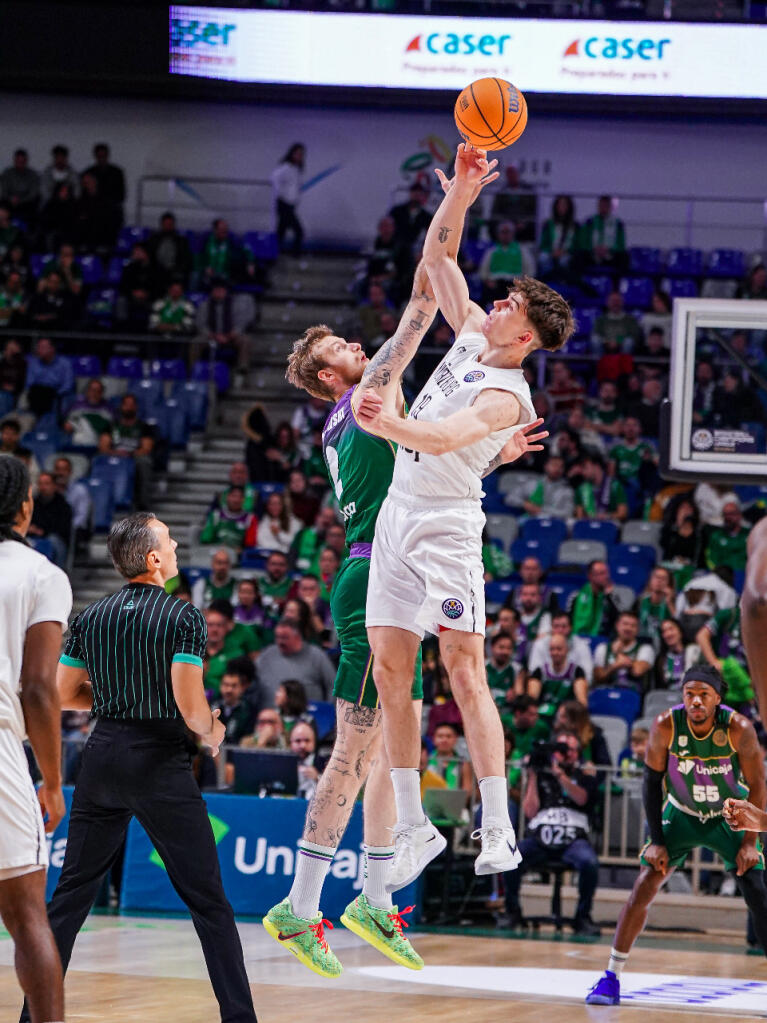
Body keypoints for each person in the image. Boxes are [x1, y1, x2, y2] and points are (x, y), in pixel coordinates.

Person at [263, 164, 511, 978]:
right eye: (342, 347)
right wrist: (460, 195)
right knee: (354, 746)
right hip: (374, 573)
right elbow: (421, 297)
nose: (357, 344)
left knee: (371, 744)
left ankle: (370, 893)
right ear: (332, 374)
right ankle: (299, 906)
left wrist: (486, 452)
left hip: (379, 562)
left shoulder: (355, 416)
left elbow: (424, 465)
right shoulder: (370, 387)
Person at [356, 143, 572, 892]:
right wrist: (464, 193)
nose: (497, 302)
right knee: (390, 669)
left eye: (510, 305)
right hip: (398, 512)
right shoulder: (478, 332)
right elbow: (437, 260)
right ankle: (413, 825)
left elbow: (446, 437)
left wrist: (386, 424)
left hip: (447, 522)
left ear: (527, 339)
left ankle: (497, 823)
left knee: (461, 666)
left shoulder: (508, 396)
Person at [20, 514, 256, 1023]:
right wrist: (214, 733)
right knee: (209, 904)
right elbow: (192, 711)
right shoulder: (182, 617)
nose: (173, 546)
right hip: (158, 762)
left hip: (101, 755)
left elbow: (62, 695)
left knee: (68, 902)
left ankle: (28, 1018)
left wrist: (111, 700)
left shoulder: (90, 616)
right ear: (152, 559)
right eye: (169, 540)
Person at [586, 665, 767, 1005]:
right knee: (644, 885)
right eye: (689, 694)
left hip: (728, 815)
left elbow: (758, 785)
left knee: (758, 892)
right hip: (681, 813)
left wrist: (748, 842)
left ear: (717, 698)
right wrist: (656, 839)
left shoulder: (739, 728)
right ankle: (610, 978)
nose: (696, 701)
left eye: (703, 695)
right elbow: (651, 782)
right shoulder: (666, 724)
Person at [0, 455, 72, 1023]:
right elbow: (39, 689)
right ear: (26, 506)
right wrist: (52, 781)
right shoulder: (40, 573)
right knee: (27, 917)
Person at [501, 730, 601, 934]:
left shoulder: (585, 774)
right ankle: (512, 911)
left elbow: (581, 799)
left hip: (573, 839)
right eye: (562, 749)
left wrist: (561, 776)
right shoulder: (541, 773)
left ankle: (582, 916)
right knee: (509, 857)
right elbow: (530, 811)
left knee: (589, 862)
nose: (567, 754)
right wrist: (532, 776)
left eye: (571, 750)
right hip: (540, 837)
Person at [256, 618, 335, 706]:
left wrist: (328, 711)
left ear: (297, 637)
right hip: (271, 714)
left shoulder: (316, 655)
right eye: (277, 637)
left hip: (307, 715)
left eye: (285, 637)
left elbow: (332, 685)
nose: (280, 642)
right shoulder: (266, 655)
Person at [98, 393, 155, 511]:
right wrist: (116, 453)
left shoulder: (144, 427)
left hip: (134, 457)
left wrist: (129, 455)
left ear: (136, 407)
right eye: (126, 404)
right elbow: (103, 446)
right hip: (114, 456)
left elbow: (146, 448)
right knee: (98, 460)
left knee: (144, 462)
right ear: (121, 406)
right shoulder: (111, 426)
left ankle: (142, 502)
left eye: (131, 405)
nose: (128, 407)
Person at [527, 632, 589, 723]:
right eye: (552, 649)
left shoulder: (576, 671)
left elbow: (582, 702)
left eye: (559, 649)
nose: (555, 653)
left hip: (567, 717)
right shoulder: (539, 671)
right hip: (543, 717)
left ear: (567, 650)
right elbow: (531, 699)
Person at [593, 612, 654, 692]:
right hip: (607, 696)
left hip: (634, 698)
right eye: (625, 624)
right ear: (617, 625)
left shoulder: (645, 649)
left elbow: (638, 671)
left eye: (633, 626)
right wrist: (615, 665)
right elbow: (597, 677)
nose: (628, 628)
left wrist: (620, 656)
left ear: (637, 629)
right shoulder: (603, 648)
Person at [27, 471, 72, 568]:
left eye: (47, 484)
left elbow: (62, 529)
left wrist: (42, 531)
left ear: (55, 486)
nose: (43, 487)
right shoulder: (32, 503)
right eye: (40, 484)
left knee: (53, 541)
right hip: (32, 536)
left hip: (55, 538)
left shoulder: (63, 506)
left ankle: (57, 573)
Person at [569, 560, 621, 638]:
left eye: (606, 572)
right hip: (579, 639)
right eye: (601, 573)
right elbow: (569, 621)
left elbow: (619, 620)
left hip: (604, 641)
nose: (606, 577)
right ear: (590, 576)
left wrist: (608, 596)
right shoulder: (576, 596)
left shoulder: (612, 597)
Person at [24, 337, 74, 418]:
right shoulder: (33, 363)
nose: (39, 350)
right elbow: (29, 382)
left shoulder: (65, 364)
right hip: (37, 393)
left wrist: (56, 393)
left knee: (63, 399)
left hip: (57, 393)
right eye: (38, 347)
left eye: (42, 347)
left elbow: (68, 385)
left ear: (52, 349)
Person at [199, 486, 258, 551]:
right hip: (215, 552)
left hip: (238, 556)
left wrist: (241, 550)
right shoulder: (216, 515)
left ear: (244, 500)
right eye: (233, 496)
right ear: (227, 497)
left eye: (240, 497)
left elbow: (250, 544)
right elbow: (206, 539)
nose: (236, 500)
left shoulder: (250, 518)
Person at [271, 143, 305, 256]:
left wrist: (295, 198)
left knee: (281, 231)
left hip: (290, 204)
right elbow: (274, 178)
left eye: (301, 154)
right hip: (284, 203)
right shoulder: (286, 167)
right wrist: (281, 194)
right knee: (299, 231)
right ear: (292, 154)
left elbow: (295, 186)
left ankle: (274, 253)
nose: (299, 156)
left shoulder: (297, 169)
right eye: (297, 154)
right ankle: (295, 255)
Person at [146, 211, 193, 288]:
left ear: (174, 225)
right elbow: (150, 257)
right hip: (157, 271)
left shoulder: (182, 241)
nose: (168, 226)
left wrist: (177, 270)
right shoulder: (153, 240)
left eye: (170, 224)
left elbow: (186, 260)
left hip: (175, 272)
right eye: (166, 224)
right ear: (162, 225)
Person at [521, 454, 574, 518]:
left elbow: (568, 513)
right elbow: (510, 498)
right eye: (554, 465)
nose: (557, 469)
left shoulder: (567, 490)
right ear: (546, 466)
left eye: (561, 467)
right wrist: (524, 504)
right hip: (528, 519)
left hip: (553, 522)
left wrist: (541, 509)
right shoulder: (533, 483)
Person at [211, 669, 256, 745]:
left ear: (241, 688)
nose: (229, 690)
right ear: (220, 686)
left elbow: (249, 738)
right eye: (226, 685)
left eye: (234, 686)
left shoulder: (249, 710)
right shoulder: (211, 706)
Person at [0, 149, 40, 225]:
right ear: (14, 160)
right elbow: (4, 190)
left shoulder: (33, 175)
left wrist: (20, 200)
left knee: (34, 206)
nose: (20, 163)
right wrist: (10, 198)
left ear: (26, 161)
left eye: (22, 161)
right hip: (9, 202)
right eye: (18, 161)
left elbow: (33, 193)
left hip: (26, 202)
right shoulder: (7, 173)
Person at [290, 720, 322, 800]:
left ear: (314, 742)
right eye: (298, 741)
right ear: (290, 743)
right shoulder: (281, 765)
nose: (303, 745)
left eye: (307, 741)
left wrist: (318, 778)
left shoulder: (326, 763)